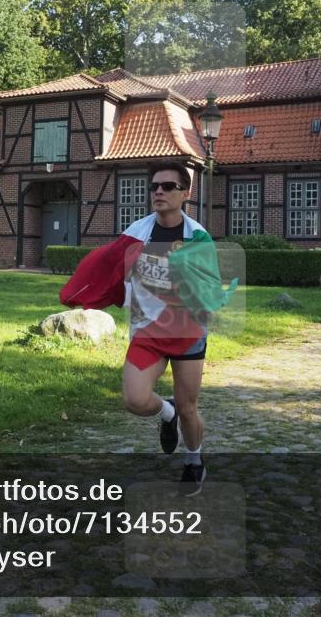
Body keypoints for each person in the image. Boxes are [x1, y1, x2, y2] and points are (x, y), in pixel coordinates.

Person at [60, 160, 234, 496]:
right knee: (135, 400)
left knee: (189, 408)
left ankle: (194, 460)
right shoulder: (136, 234)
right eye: (154, 186)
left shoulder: (198, 238)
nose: (158, 192)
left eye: (168, 186)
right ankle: (165, 412)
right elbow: (113, 271)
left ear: (186, 193)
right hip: (148, 333)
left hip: (186, 333)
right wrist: (91, 291)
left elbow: (209, 291)